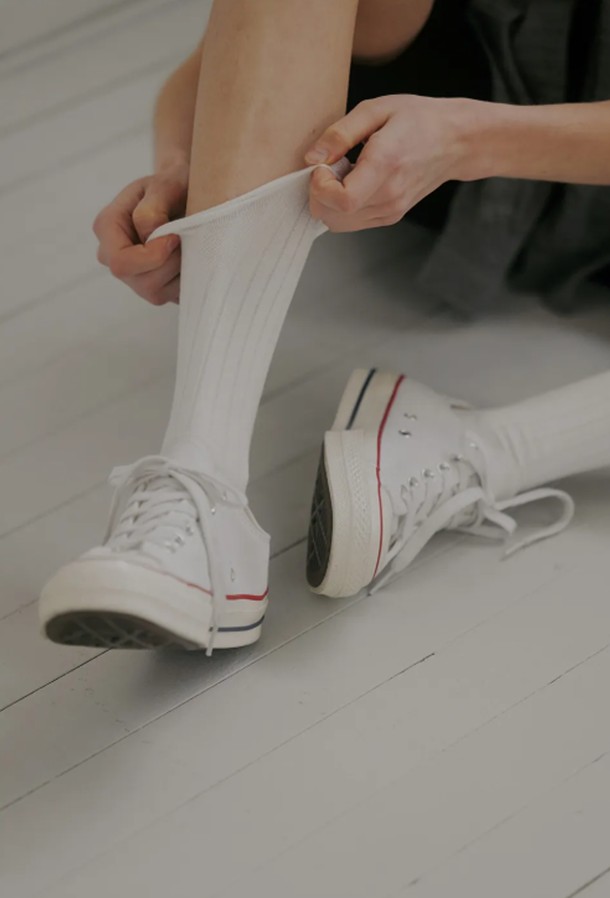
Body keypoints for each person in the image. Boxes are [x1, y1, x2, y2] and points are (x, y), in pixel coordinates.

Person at [38, 0, 610, 653]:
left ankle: (485, 448)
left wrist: (469, 139)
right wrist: (184, 169)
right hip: (463, 102)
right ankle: (204, 481)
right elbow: (213, 59)